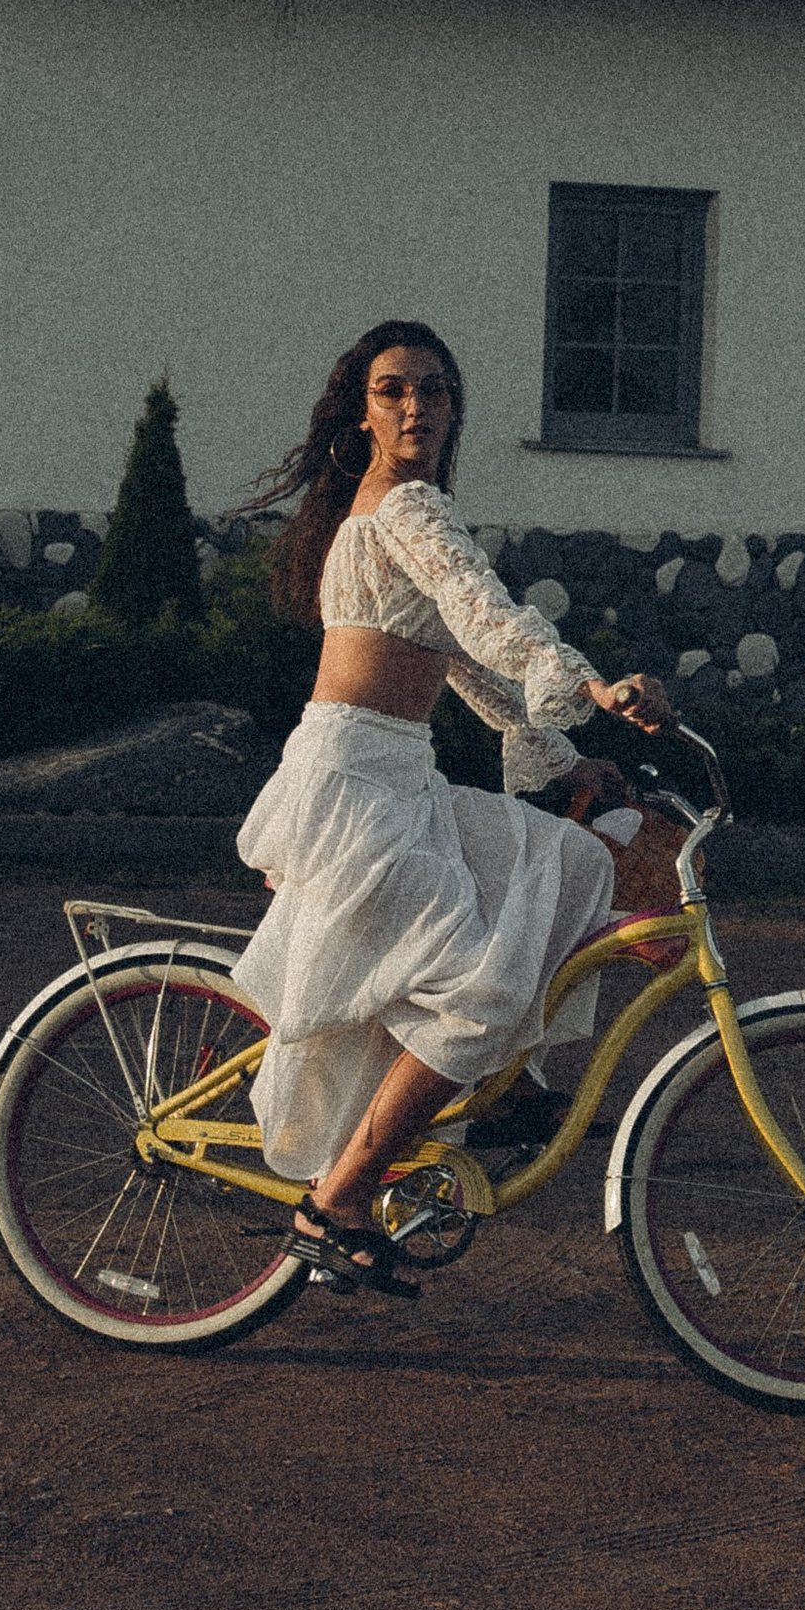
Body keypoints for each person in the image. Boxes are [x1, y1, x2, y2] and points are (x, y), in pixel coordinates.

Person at [227, 319, 672, 1296]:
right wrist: (593, 689)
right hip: (353, 788)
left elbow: (467, 665)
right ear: (362, 410)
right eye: (392, 391)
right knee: (475, 989)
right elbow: (489, 616)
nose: (415, 407)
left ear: (453, 407)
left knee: (573, 861)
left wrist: (564, 758)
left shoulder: (394, 513)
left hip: (399, 776)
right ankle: (334, 1201)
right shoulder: (405, 510)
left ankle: (506, 1087)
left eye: (432, 390)